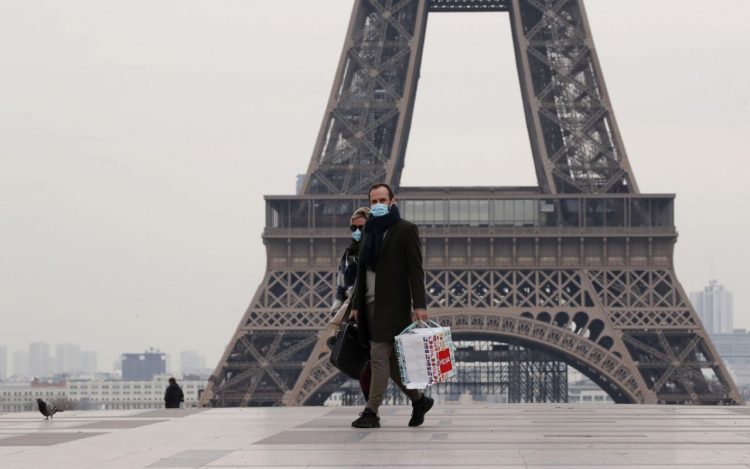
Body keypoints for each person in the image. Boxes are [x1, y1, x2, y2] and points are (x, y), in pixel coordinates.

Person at [350, 183, 434, 428]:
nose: (377, 205)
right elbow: (361, 271)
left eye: (382, 200)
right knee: (393, 363)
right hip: (368, 304)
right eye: (373, 201)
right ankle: (419, 401)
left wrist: (419, 304)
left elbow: (414, 270)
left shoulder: (406, 230)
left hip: (392, 305)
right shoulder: (368, 231)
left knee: (377, 356)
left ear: (392, 201)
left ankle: (371, 412)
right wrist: (356, 305)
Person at [330, 206, 372, 401]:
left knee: (377, 361)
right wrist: (337, 303)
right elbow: (341, 281)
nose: (356, 232)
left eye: (361, 228)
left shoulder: (376, 251)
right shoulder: (348, 254)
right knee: (363, 362)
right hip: (352, 310)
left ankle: (416, 398)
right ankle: (370, 404)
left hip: (370, 308)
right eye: (353, 228)